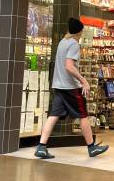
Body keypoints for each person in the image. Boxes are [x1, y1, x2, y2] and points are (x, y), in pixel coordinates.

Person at [35, 18, 109, 159]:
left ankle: (41, 146)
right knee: (83, 115)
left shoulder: (63, 42)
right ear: (80, 32)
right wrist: (83, 81)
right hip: (71, 87)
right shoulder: (74, 44)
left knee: (53, 115)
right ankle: (91, 147)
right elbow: (69, 66)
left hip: (59, 85)